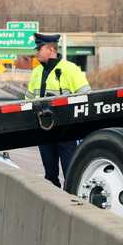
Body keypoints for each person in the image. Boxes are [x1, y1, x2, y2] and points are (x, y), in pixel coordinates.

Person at [27, 33, 90, 187]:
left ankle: (73, 204)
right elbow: (28, 101)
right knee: (49, 175)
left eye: (38, 49)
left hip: (67, 132)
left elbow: (87, 97)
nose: (36, 53)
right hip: (44, 132)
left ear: (50, 49)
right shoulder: (36, 72)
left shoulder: (71, 69)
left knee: (71, 173)